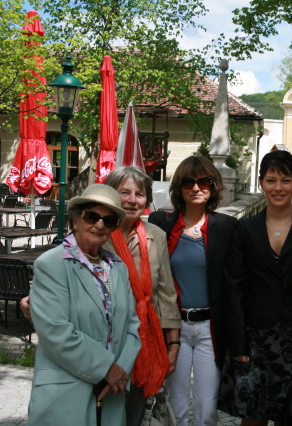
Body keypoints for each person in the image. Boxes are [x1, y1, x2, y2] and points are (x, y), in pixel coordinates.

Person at [218, 150, 292, 426]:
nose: (278, 187)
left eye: (285, 180)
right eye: (271, 180)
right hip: (254, 337)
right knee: (252, 415)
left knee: (289, 416)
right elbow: (234, 287)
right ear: (260, 183)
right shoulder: (244, 229)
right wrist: (238, 342)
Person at [27, 184, 141, 425]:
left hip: (112, 391)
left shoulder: (117, 266)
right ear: (75, 219)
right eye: (92, 216)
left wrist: (120, 372)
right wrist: (106, 368)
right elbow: (56, 332)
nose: (99, 224)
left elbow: (132, 326)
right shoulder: (52, 264)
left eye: (108, 221)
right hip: (66, 391)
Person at [148, 155, 237, 426]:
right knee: (174, 404)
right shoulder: (162, 223)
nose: (196, 188)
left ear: (213, 186)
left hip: (210, 328)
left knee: (207, 406)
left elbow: (236, 283)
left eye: (204, 182)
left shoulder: (226, 227)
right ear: (179, 187)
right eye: (188, 182)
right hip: (174, 328)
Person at [104, 166, 182, 425]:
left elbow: (166, 294)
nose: (132, 199)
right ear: (111, 195)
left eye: (139, 194)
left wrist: (173, 345)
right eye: (124, 192)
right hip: (104, 340)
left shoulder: (156, 235)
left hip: (145, 340)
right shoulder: (97, 232)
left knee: (136, 411)